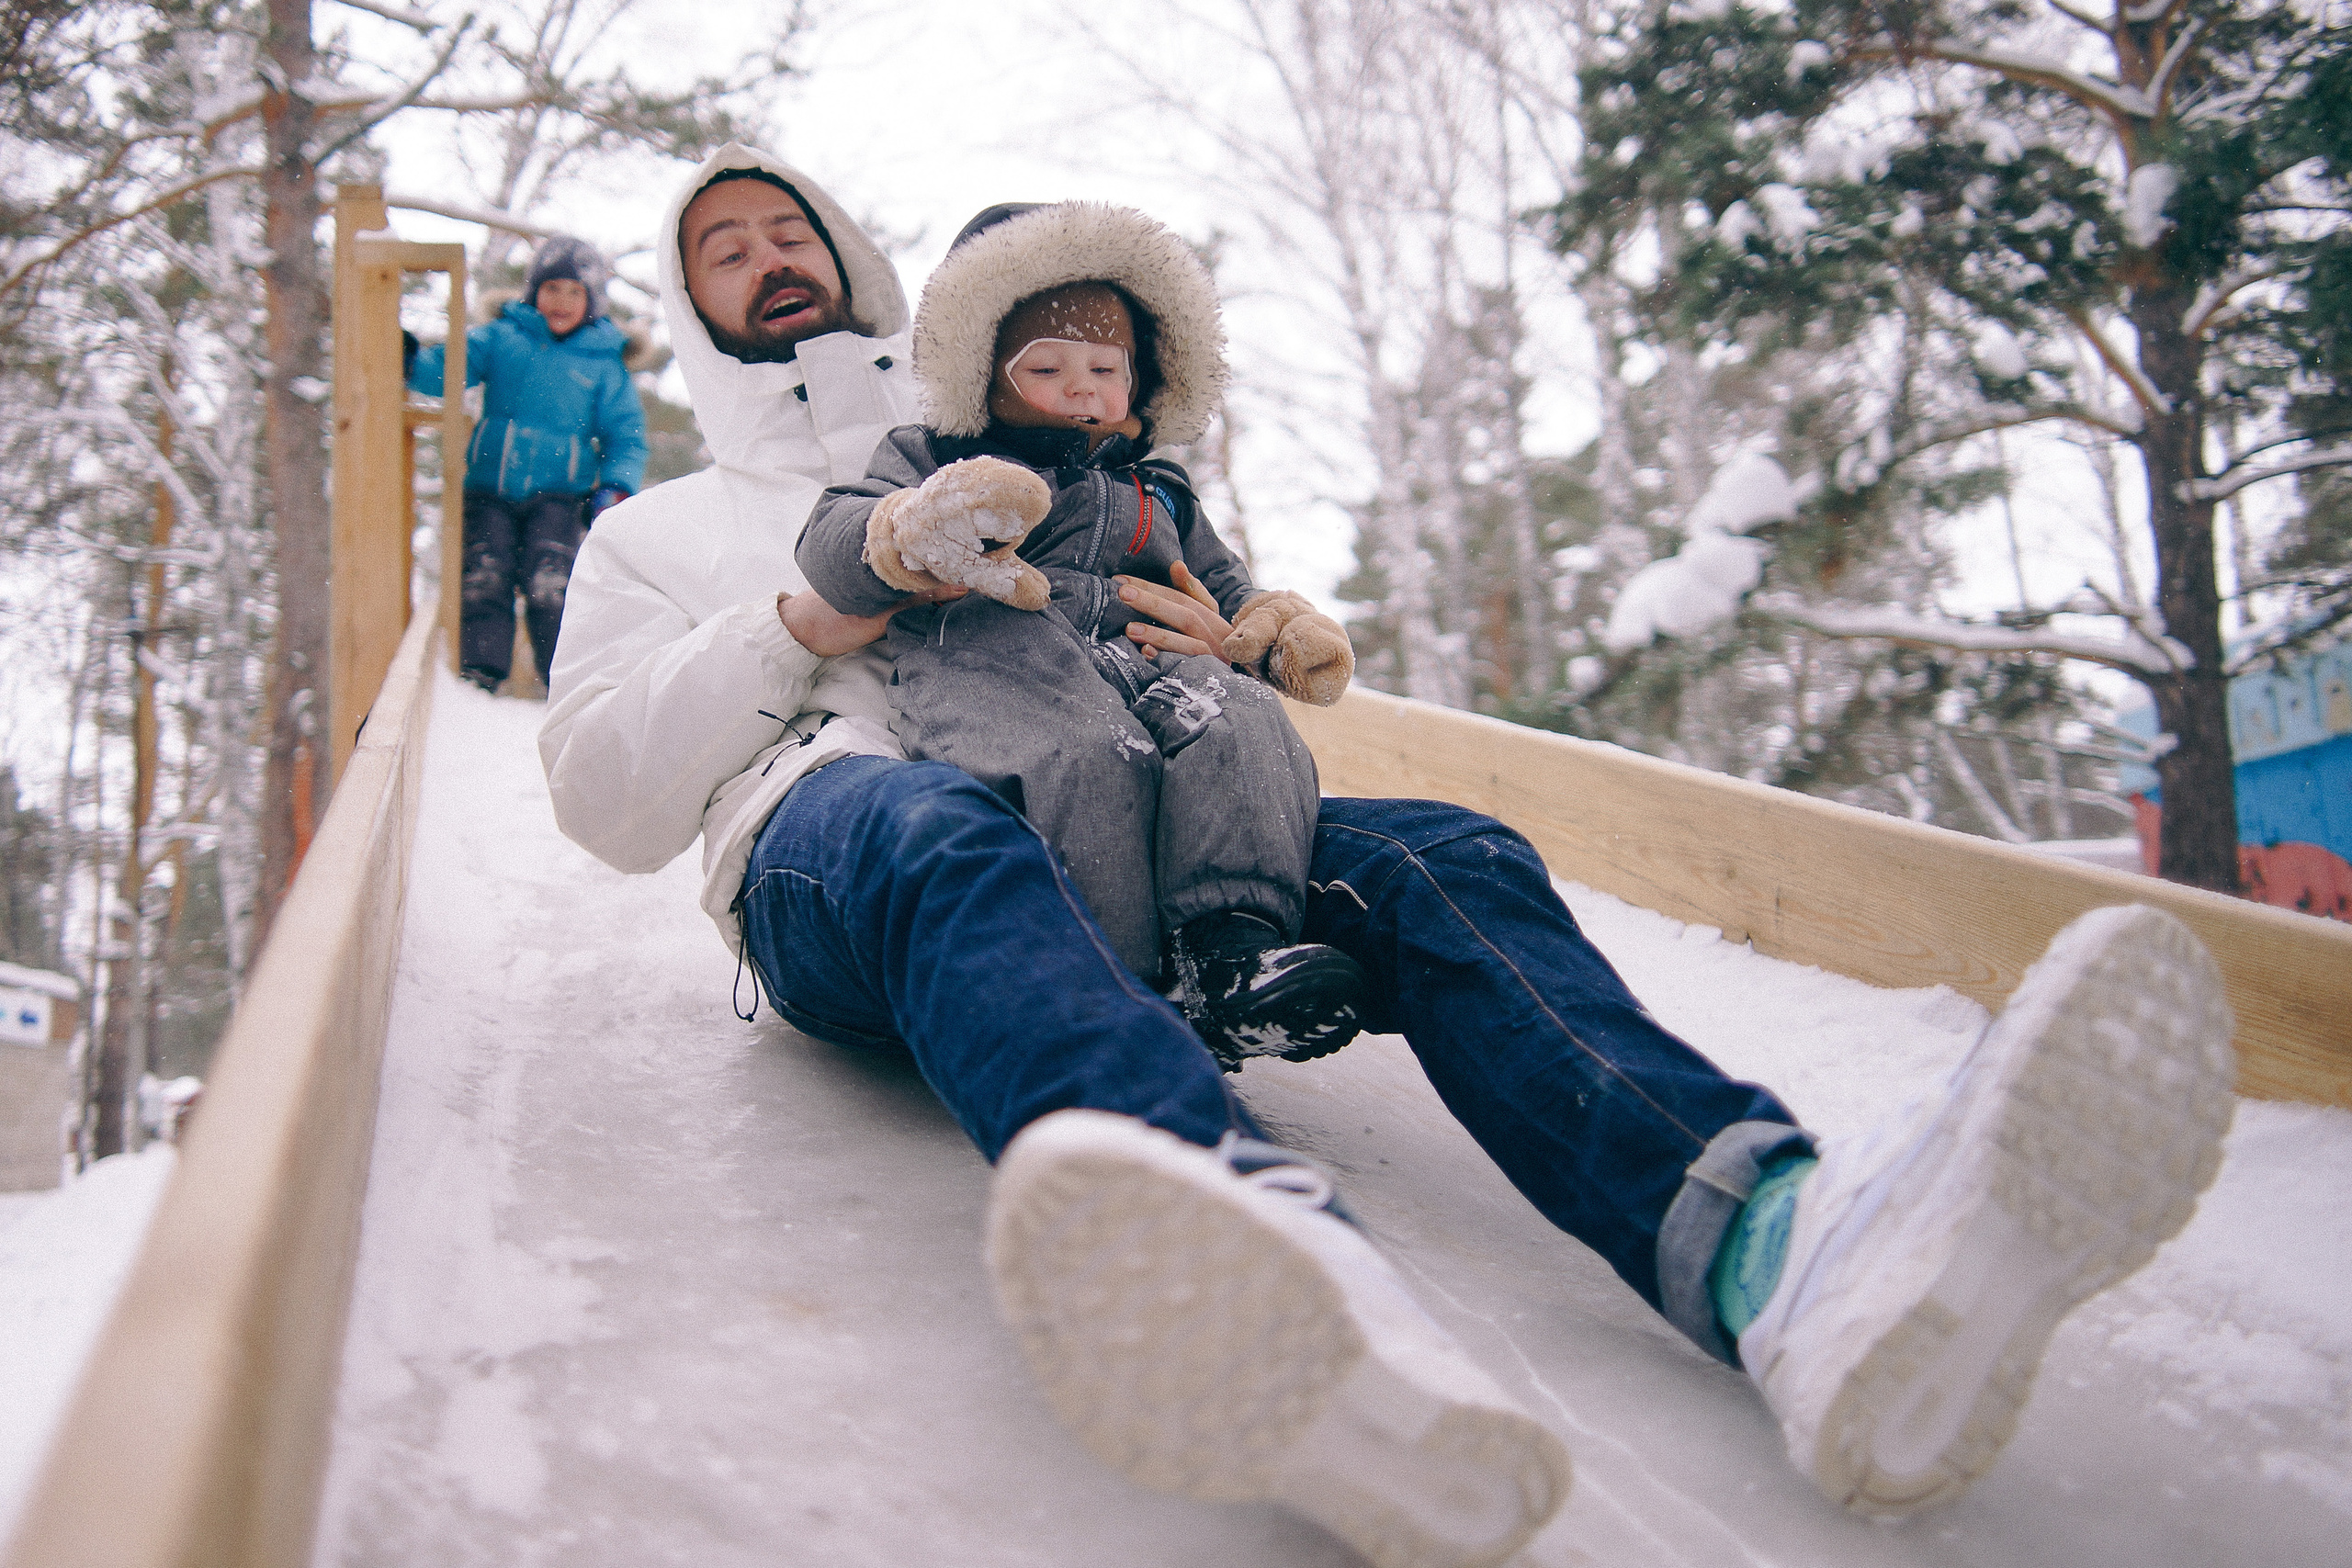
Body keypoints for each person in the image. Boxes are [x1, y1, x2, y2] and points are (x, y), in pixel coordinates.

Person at [540, 144, 2237, 1568]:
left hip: (1125, 807)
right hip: (850, 848)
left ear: (869, 264)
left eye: (788, 232)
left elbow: (1216, 641)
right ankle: (1283, 1293)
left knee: (1441, 850)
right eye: (720, 252)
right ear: (686, 309)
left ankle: (1775, 1248)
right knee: (926, 825)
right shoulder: (659, 531)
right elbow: (600, 795)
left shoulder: (1076, 451)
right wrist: (805, 613)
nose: (764, 264)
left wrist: (1214, 650)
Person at [797, 201, 1365, 1064]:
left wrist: (1269, 627)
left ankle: (1231, 951)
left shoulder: (1160, 488)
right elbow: (833, 539)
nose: (1081, 388)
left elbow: (1220, 583)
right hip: (1001, 655)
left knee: (1238, 719)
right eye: (1048, 366)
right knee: (1091, 758)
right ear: (981, 371)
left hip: (1146, 661)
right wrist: (914, 528)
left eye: (1105, 367)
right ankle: (1114, 983)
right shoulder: (931, 453)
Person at [407, 234, 649, 692]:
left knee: (551, 583)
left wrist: (616, 485)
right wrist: (410, 362)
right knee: (484, 574)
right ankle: (480, 674)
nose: (561, 301)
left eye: (574, 292)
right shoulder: (502, 338)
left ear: (592, 301)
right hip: (491, 489)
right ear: (533, 290)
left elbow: (626, 435)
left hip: (560, 497)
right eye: (552, 287)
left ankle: (559, 682)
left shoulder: (603, 362)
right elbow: (448, 369)